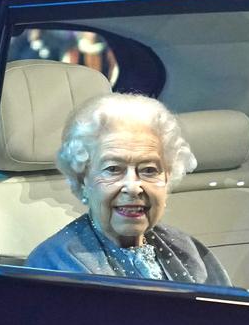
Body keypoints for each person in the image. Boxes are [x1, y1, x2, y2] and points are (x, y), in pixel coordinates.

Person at [26, 93, 231, 286]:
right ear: (83, 181)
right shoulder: (54, 265)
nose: (133, 187)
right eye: (113, 169)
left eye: (149, 170)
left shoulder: (186, 248)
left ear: (167, 179)